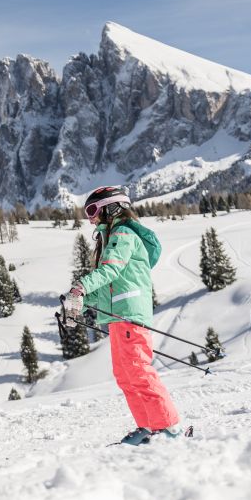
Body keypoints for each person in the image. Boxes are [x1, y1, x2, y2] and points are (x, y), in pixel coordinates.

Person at [63, 186, 181, 445]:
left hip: (129, 315)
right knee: (125, 376)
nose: (90, 218)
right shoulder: (112, 237)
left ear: (112, 208)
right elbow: (105, 287)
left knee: (138, 371)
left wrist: (80, 287)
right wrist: (78, 304)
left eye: (93, 210)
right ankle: (148, 427)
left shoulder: (123, 234)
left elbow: (110, 271)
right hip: (119, 318)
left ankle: (168, 428)